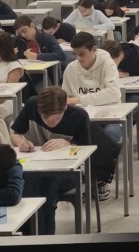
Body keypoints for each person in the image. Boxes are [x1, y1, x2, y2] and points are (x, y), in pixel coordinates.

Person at [10, 88, 91, 234]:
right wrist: (20, 142)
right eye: (43, 116)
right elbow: (14, 133)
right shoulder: (32, 105)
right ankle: (28, 235)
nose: (48, 121)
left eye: (54, 118)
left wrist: (67, 145)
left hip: (71, 170)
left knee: (47, 182)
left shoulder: (79, 116)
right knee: (24, 180)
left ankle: (44, 238)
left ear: (65, 108)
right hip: (36, 165)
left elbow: (86, 151)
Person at [62, 32, 121, 108]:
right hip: (81, 114)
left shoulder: (108, 64)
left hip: (108, 112)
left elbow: (113, 93)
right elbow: (67, 98)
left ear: (94, 49)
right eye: (75, 54)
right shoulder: (70, 68)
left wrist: (79, 100)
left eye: (82, 54)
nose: (78, 58)